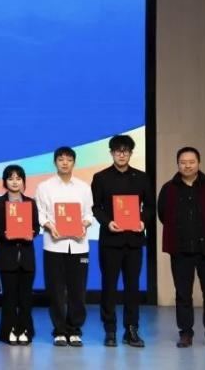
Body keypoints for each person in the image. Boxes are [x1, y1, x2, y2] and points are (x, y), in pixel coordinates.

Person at [158, 146, 205, 350]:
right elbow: (163, 215)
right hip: (180, 250)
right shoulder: (168, 189)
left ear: (198, 163)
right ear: (177, 164)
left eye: (191, 162)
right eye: (183, 162)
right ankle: (185, 333)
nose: (187, 166)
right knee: (183, 295)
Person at [90, 134, 154, 347]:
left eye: (125, 151)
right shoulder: (101, 177)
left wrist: (143, 222)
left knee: (132, 287)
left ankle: (131, 329)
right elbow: (95, 207)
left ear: (131, 153)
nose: (122, 154)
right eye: (118, 151)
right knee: (109, 286)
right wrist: (107, 222)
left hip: (134, 240)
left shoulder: (142, 178)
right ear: (111, 153)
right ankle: (110, 330)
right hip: (110, 240)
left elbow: (150, 206)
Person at [35, 146, 94, 347]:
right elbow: (40, 214)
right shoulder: (44, 187)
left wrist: (83, 225)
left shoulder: (84, 187)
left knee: (78, 290)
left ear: (74, 163)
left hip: (78, 246)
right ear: (55, 162)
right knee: (55, 290)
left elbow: (89, 214)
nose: (65, 163)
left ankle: (75, 329)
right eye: (61, 159)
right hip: (54, 246)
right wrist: (49, 226)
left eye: (69, 159)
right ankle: (59, 330)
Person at [0, 164, 39, 345]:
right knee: (9, 297)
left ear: (23, 181)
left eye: (18, 178)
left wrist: (32, 233)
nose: (15, 182)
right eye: (10, 178)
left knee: (25, 298)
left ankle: (25, 330)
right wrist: (5, 235)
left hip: (26, 257)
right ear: (5, 181)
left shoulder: (30, 203)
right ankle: (9, 330)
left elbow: (36, 226)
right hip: (7, 257)